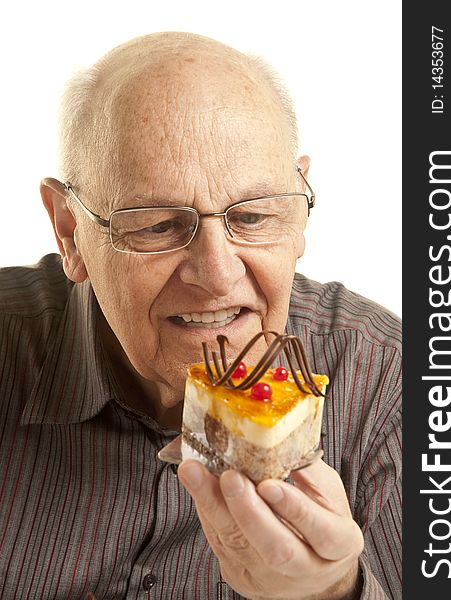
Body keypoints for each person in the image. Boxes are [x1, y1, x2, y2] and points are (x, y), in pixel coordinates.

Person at [0, 32, 401, 600]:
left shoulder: (389, 380)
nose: (216, 275)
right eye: (158, 224)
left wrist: (336, 590)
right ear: (70, 230)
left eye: (255, 215)